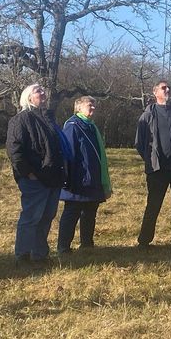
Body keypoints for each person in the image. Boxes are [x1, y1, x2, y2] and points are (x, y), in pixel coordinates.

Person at [6, 83, 68, 266]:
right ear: (28, 97)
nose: (43, 93)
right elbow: (14, 150)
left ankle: (40, 254)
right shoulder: (21, 120)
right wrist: (28, 173)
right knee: (31, 217)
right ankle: (22, 255)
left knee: (47, 216)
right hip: (34, 178)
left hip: (53, 177)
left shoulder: (49, 119)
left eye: (43, 91)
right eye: (37, 91)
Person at [135, 80, 171, 250]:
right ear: (155, 92)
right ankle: (144, 242)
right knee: (153, 205)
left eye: (169, 88)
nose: (167, 90)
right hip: (157, 169)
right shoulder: (148, 114)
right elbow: (140, 143)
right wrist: (150, 160)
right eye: (163, 88)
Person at [57, 96, 112, 254]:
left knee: (90, 211)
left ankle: (87, 244)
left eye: (94, 106)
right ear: (78, 107)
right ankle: (63, 247)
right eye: (90, 105)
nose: (93, 108)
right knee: (72, 212)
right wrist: (70, 178)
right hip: (78, 179)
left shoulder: (92, 126)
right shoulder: (73, 126)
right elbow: (69, 153)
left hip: (93, 178)